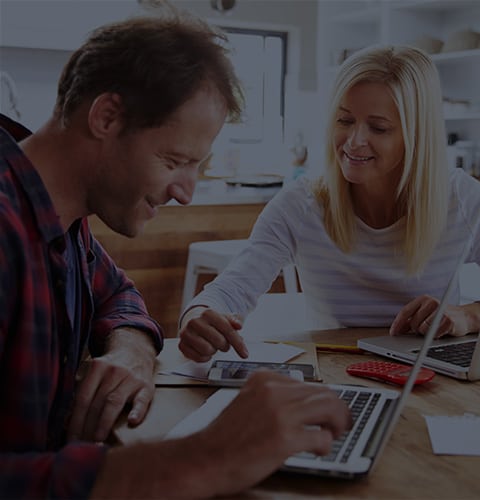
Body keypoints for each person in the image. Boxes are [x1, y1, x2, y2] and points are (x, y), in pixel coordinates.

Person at [0, 14, 352, 499]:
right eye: (174, 161)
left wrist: (131, 350)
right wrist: (196, 461)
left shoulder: (61, 220)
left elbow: (120, 296)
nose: (186, 192)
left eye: (197, 166)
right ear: (106, 117)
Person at [178, 45, 480, 363]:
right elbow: (231, 289)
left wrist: (472, 315)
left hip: (434, 381)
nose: (355, 141)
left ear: (417, 135)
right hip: (337, 376)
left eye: (378, 127)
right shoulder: (301, 205)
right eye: (345, 120)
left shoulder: (462, 200)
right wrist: (199, 314)